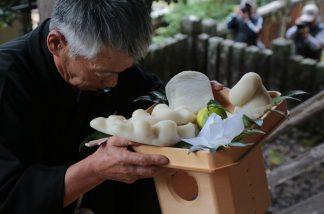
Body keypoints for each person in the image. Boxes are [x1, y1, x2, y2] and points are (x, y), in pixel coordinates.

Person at [0, 1, 223, 214]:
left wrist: (191, 99)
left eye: (120, 71)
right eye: (103, 73)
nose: (114, 83)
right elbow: (8, 196)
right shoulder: (7, 81)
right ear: (57, 44)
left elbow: (149, 95)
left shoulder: (104, 57)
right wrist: (95, 169)